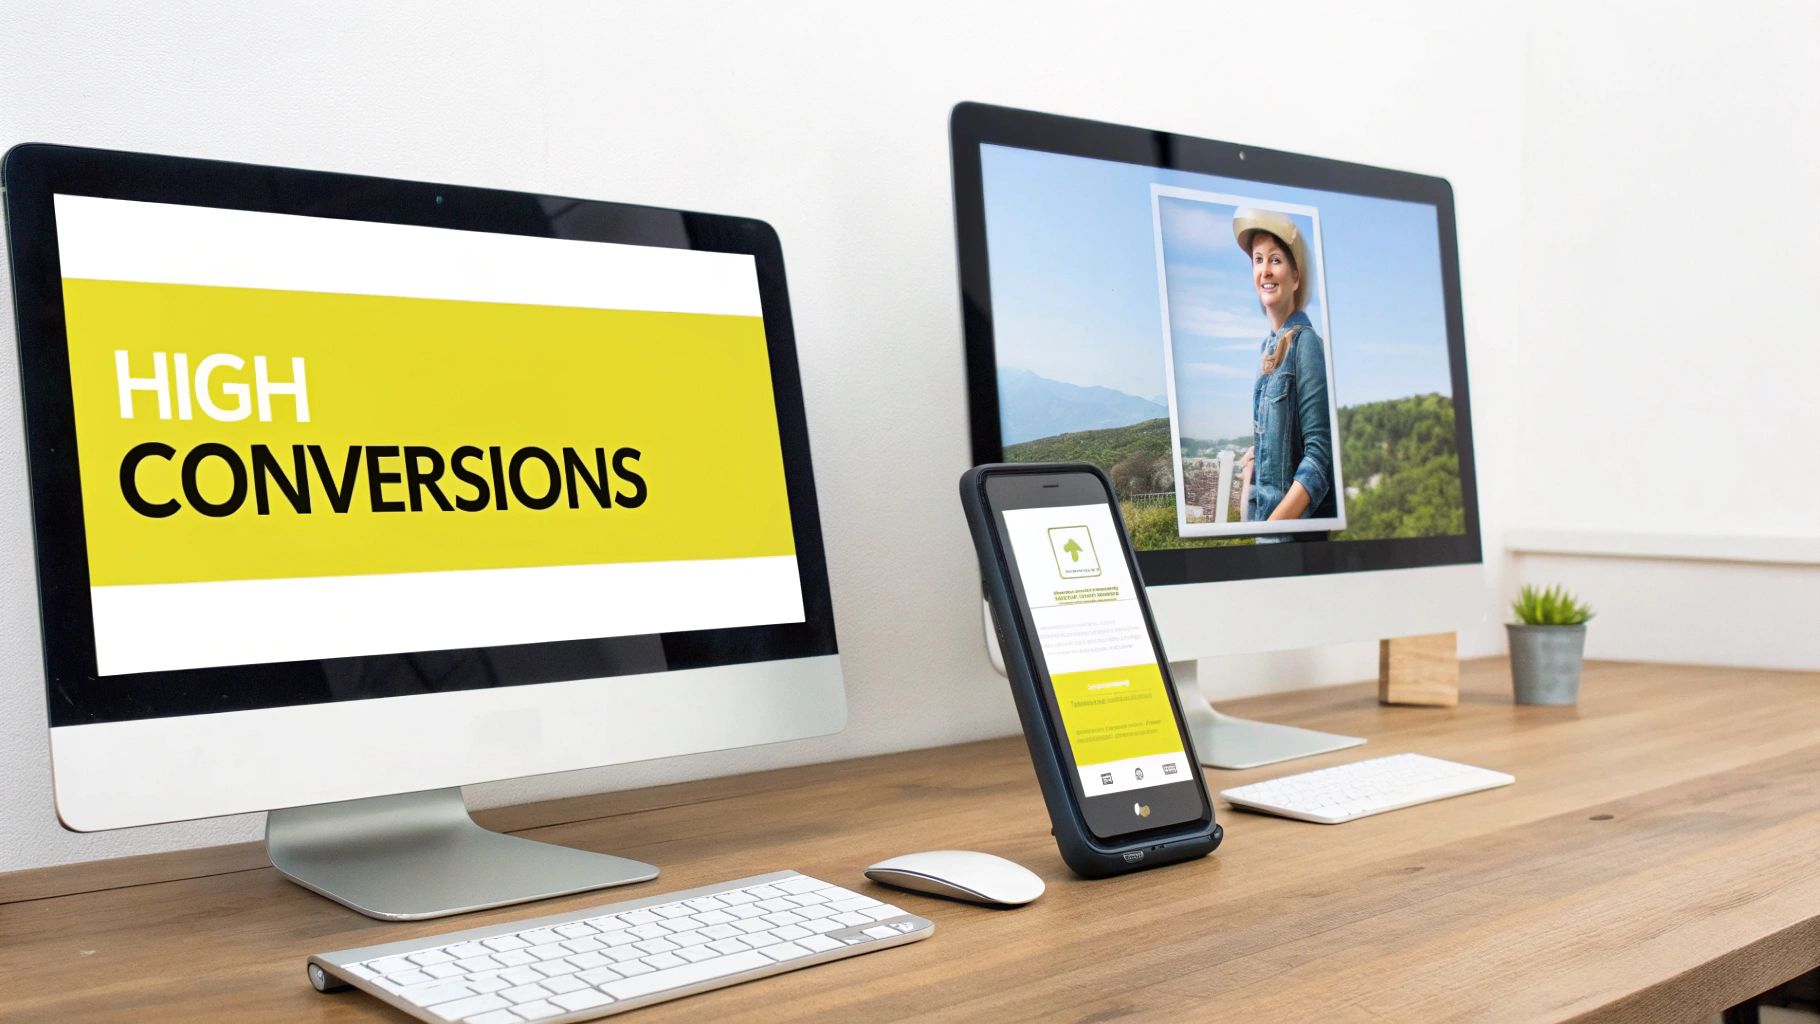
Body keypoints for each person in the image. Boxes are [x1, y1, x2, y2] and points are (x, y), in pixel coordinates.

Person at [1232, 208, 1335, 531]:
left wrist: (1271, 531)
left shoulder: (1306, 345)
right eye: (1258, 260)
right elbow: (1290, 439)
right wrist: (1257, 454)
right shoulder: (1269, 349)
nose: (1265, 270)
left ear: (1295, 276)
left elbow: (1319, 460)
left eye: (1275, 260)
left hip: (1287, 545)